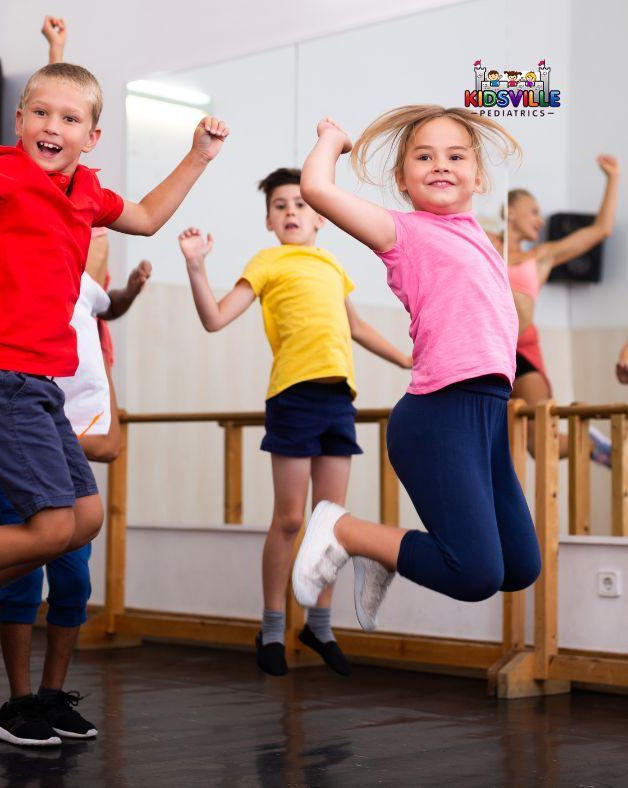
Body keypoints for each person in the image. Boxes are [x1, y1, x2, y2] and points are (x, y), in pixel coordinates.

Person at [0, 52, 228, 690]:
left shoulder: (86, 193)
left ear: (92, 136)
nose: (54, 126)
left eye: (71, 118)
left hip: (41, 387)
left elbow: (144, 217)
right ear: (21, 120)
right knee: (54, 522)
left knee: (82, 519)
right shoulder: (4, 171)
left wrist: (198, 156)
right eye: (41, 113)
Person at [292, 106, 540, 630]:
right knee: (474, 574)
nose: (440, 166)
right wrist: (331, 139)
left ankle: (383, 553)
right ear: (403, 182)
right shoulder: (403, 233)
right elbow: (316, 188)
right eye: (423, 158)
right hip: (439, 416)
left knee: (520, 567)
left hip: (489, 419)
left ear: (478, 175)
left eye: (455, 156)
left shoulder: (481, 239)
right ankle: (343, 530)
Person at [178, 168, 410, 676]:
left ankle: (320, 625)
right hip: (293, 398)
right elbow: (215, 318)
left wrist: (410, 360)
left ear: (320, 217)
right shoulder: (266, 262)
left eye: (300, 204)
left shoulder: (332, 266)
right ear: (268, 221)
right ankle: (272, 625)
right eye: (280, 206)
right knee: (290, 518)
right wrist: (196, 267)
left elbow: (359, 327)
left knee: (330, 522)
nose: (290, 212)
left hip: (337, 401)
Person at [0, 251, 149, 745]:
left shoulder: (86, 287)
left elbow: (111, 304)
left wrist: (133, 289)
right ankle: (17, 705)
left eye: (100, 227)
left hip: (62, 441)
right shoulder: (17, 261)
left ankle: (52, 697)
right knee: (18, 577)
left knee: (73, 579)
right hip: (13, 427)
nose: (94, 231)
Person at [488, 157, 620, 465]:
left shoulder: (541, 257)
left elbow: (600, 230)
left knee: (538, 443)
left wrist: (613, 178)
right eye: (533, 211)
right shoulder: (486, 244)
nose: (541, 219)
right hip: (492, 350)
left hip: (524, 350)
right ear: (511, 212)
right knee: (502, 445)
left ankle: (588, 446)